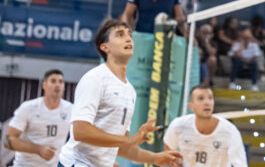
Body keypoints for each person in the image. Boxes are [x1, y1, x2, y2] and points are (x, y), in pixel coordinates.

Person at [57, 19, 183, 167]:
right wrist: (128, 140)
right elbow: (81, 131)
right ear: (105, 47)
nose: (128, 38)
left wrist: (155, 158)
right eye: (120, 35)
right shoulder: (95, 78)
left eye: (129, 34)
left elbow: (123, 148)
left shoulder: (130, 91)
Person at [163, 85, 247, 167]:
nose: (207, 102)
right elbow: (168, 150)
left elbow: (240, 164)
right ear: (191, 106)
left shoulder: (230, 131)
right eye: (201, 98)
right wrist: (176, 163)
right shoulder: (178, 125)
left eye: (210, 98)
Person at [5, 69, 72, 166]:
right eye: (53, 81)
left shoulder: (70, 109)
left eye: (60, 82)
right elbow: (8, 140)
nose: (57, 85)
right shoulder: (28, 107)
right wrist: (38, 149)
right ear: (44, 85)